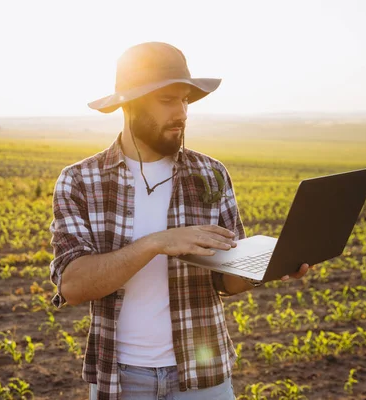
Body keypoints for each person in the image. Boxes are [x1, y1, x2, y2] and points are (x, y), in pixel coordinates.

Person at [49, 42, 316, 400]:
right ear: (130, 105)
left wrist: (267, 266)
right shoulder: (80, 180)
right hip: (121, 380)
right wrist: (158, 242)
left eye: (186, 100)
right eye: (167, 100)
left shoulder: (210, 173)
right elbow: (74, 286)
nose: (182, 113)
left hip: (204, 376)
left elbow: (227, 281)